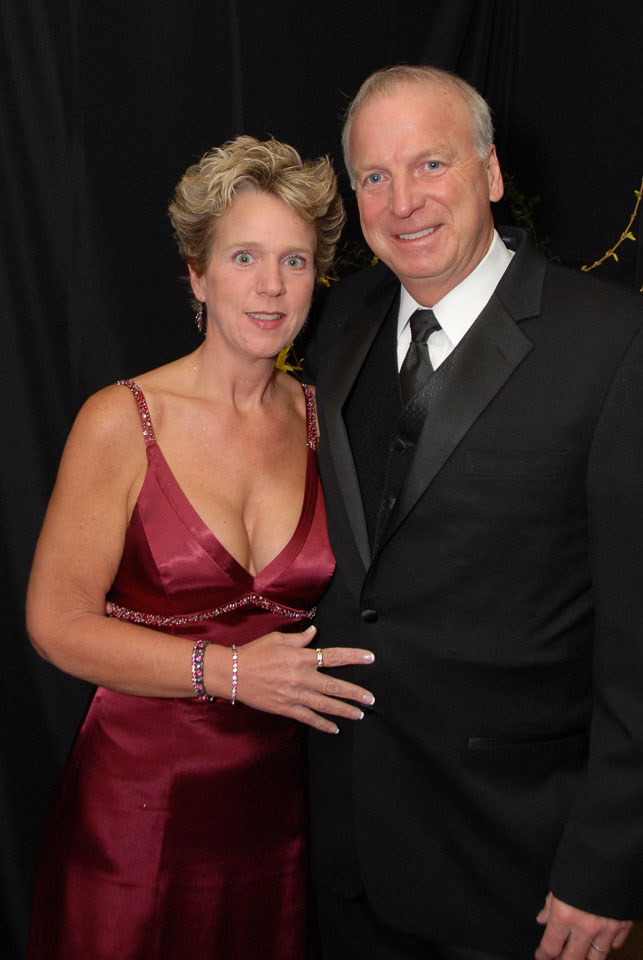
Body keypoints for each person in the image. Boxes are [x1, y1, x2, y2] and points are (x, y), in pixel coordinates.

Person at [306, 65, 643, 960]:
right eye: (374, 176)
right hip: (346, 850)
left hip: (516, 864)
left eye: (431, 164)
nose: (402, 201)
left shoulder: (613, 344)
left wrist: (609, 861)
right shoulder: (343, 318)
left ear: (489, 172)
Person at [25, 135, 375, 960]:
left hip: (277, 817)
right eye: (243, 256)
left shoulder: (328, 420)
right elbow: (55, 625)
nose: (269, 285)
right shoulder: (121, 420)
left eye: (293, 261)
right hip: (134, 813)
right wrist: (228, 671)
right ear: (197, 274)